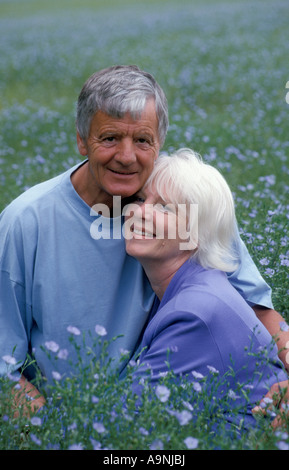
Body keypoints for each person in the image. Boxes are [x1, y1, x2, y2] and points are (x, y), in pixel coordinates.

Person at [0, 65, 288, 416]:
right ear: (81, 140)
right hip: (69, 420)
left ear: (159, 143)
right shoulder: (26, 223)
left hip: (159, 413)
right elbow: (4, 366)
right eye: (109, 138)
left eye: (142, 140)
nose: (126, 156)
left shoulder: (181, 202)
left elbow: (256, 307)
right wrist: (52, 432)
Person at [125, 148, 288, 429]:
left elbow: (126, 426)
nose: (140, 212)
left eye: (164, 208)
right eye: (141, 199)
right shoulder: (198, 287)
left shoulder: (194, 312)